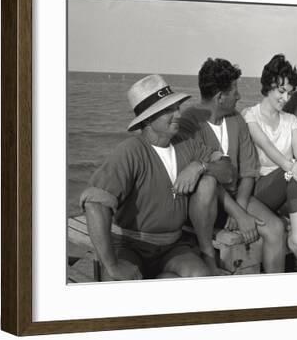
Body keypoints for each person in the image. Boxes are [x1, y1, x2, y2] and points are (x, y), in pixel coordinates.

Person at [79, 75, 234, 280]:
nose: (178, 114)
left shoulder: (186, 144)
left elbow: (227, 171)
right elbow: (94, 204)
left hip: (173, 246)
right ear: (148, 119)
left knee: (200, 278)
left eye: (177, 107)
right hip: (129, 247)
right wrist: (112, 265)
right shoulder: (130, 151)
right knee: (118, 287)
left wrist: (200, 165)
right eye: (169, 110)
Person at [177, 58, 287, 274]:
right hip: (204, 205)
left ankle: (276, 297)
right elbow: (202, 181)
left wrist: (242, 207)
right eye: (234, 90)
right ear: (220, 97)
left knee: (276, 228)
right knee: (207, 181)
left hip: (237, 198)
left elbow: (248, 171)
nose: (239, 96)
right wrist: (237, 214)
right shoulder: (189, 123)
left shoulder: (236, 120)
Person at [242, 54, 297, 271]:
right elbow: (266, 147)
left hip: (292, 184)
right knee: (289, 173)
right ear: (268, 86)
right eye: (281, 91)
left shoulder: (290, 119)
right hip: (263, 189)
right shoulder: (250, 115)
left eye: (290, 93)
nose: (285, 98)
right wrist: (293, 167)